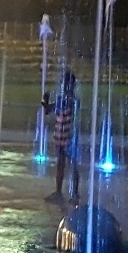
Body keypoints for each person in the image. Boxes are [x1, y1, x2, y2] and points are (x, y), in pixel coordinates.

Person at [43, 69, 79, 203]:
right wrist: (46, 102)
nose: (64, 86)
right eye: (63, 83)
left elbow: (62, 108)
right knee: (60, 164)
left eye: (66, 83)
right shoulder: (62, 99)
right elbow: (49, 111)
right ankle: (58, 192)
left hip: (69, 137)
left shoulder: (73, 100)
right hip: (59, 136)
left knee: (73, 165)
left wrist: (49, 104)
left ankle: (75, 194)